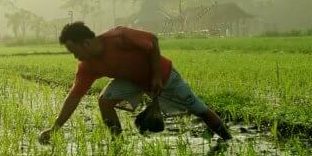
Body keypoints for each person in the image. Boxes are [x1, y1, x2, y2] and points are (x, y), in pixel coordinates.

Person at [38, 22, 232, 144]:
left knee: (198, 108)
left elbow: (153, 41)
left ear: (86, 43)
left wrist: (156, 76)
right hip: (133, 82)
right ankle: (118, 142)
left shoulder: (119, 36)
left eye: (74, 50)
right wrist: (55, 128)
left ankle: (227, 139)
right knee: (105, 101)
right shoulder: (87, 66)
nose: (75, 56)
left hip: (163, 75)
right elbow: (74, 97)